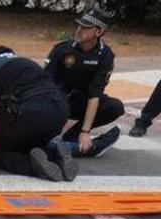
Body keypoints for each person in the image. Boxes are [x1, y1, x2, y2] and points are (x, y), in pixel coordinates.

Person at [0, 46, 76, 181]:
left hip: (31, 112)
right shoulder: (26, 63)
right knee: (27, 142)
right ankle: (54, 152)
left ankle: (31, 166)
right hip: (61, 110)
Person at [45, 7, 122, 157]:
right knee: (57, 102)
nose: (79, 30)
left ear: (98, 32)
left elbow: (95, 93)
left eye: (85, 27)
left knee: (115, 107)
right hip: (58, 99)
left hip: (83, 100)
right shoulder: (62, 49)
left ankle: (73, 137)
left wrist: (85, 132)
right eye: (79, 25)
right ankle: (53, 139)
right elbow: (45, 82)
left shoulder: (105, 55)